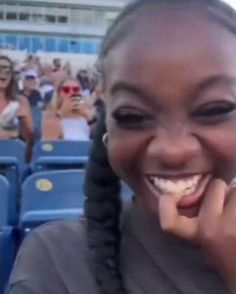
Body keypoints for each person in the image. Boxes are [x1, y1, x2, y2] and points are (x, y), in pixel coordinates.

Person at [8, 0, 236, 293]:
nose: (172, 150)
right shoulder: (57, 261)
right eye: (133, 117)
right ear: (108, 128)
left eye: (213, 110)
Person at [0, 55, 34, 149]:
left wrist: (24, 125)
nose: (4, 73)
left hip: (13, 154)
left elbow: (29, 138)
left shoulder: (21, 101)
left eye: (8, 70)